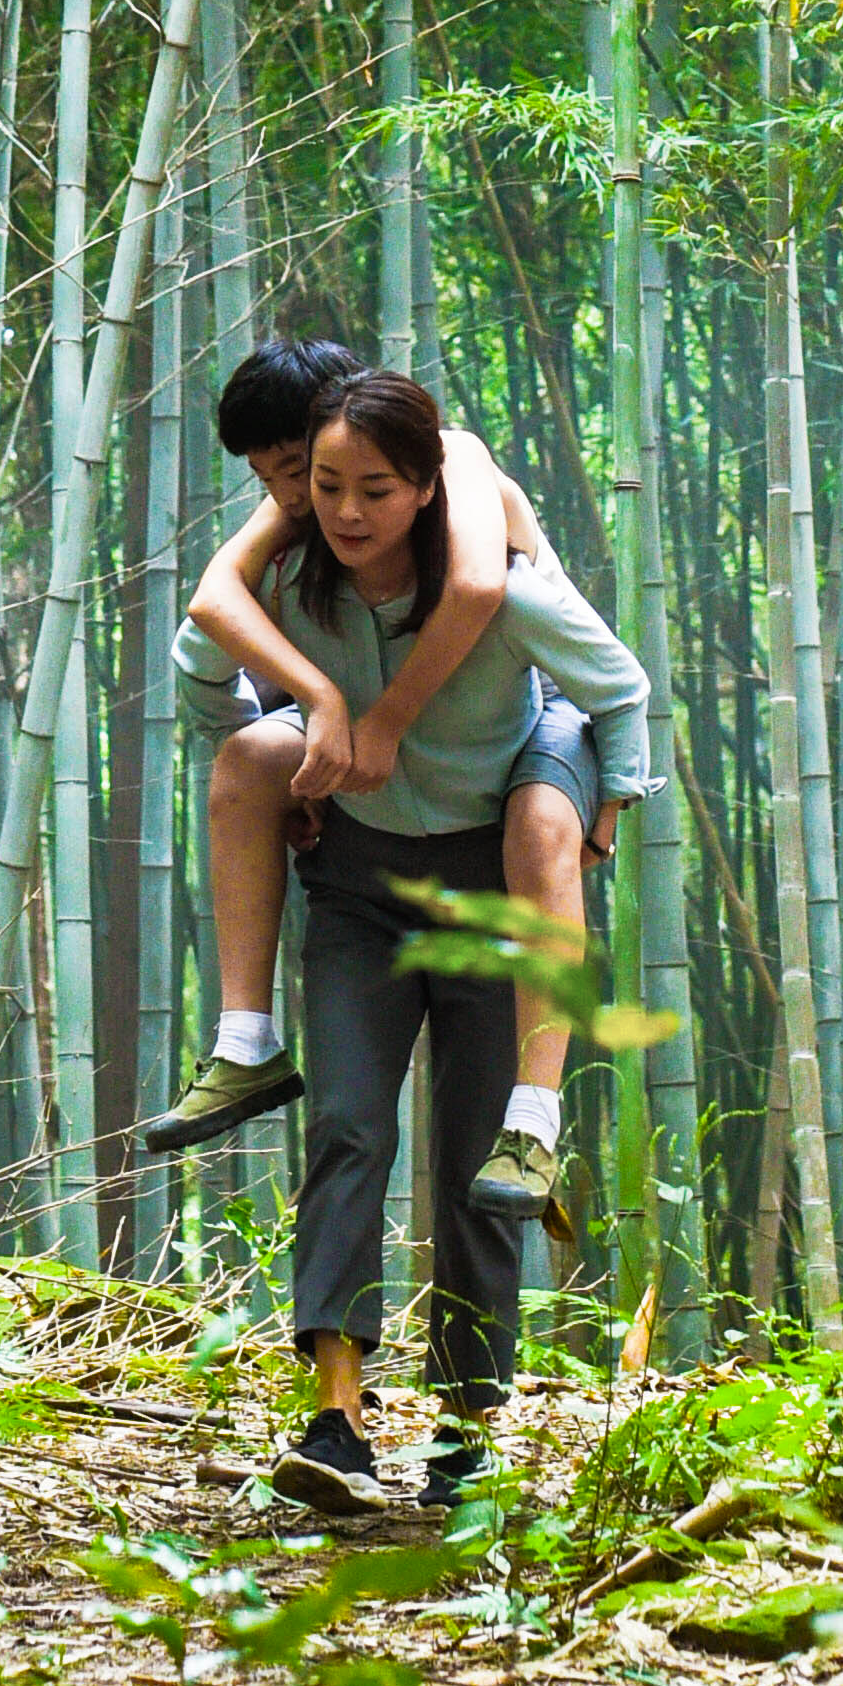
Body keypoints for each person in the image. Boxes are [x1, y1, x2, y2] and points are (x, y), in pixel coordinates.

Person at [199, 368, 656, 1524]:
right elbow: (198, 660)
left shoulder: (498, 589)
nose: (347, 511)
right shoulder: (291, 582)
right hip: (358, 887)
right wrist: (276, 756)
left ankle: (464, 1429)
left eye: (376, 490)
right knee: (346, 1124)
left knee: (474, 1164)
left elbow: (618, 690)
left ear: (423, 489)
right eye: (327, 487)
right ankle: (337, 1421)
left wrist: (608, 801)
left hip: (487, 889)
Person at [139, 333, 565, 1174]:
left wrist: (383, 722)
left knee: (548, 825)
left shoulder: (445, 459)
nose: (298, 499)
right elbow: (209, 609)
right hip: (386, 749)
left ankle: (539, 1112)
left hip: (533, 705)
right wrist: (307, 742)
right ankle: (243, 1041)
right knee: (251, 758)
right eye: (272, 482)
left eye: (300, 471)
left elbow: (481, 590)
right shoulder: (314, 501)